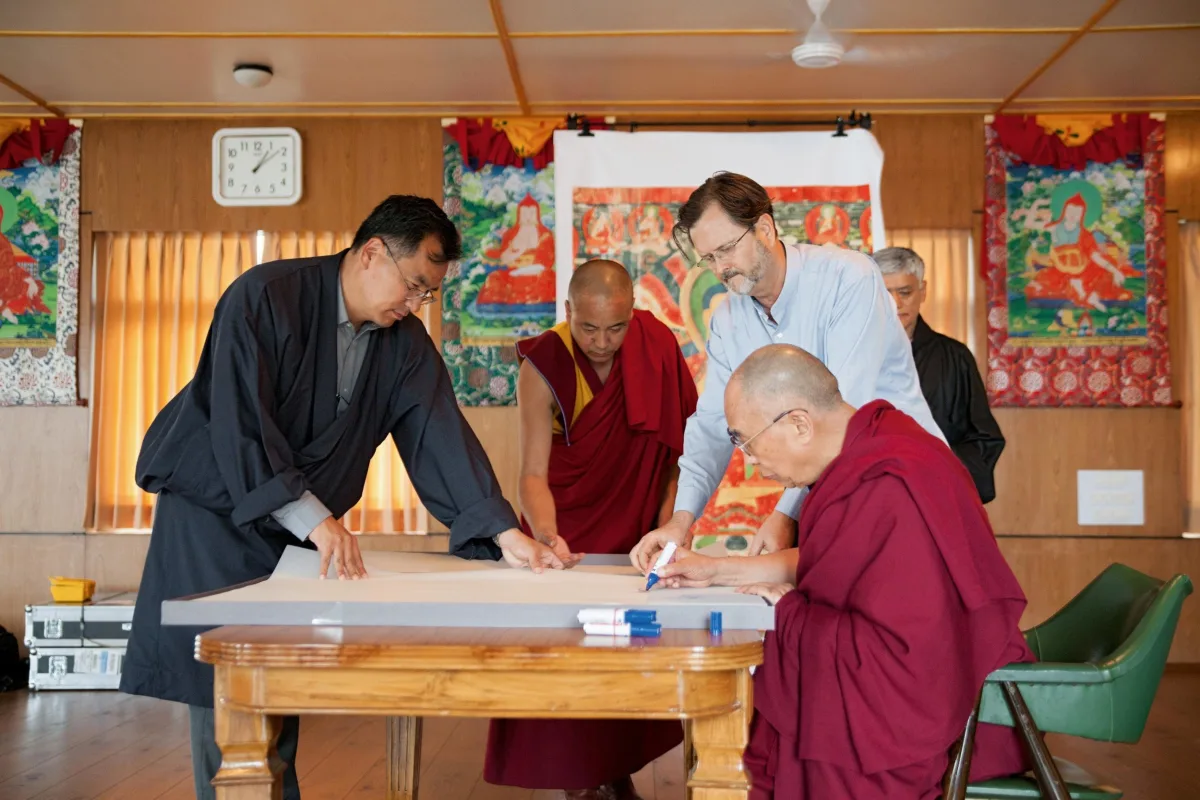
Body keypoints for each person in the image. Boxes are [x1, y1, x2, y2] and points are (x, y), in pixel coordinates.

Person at [121, 195, 566, 800]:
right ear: (372, 252)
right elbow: (239, 419)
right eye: (413, 286)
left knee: (279, 689)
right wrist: (314, 519)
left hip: (300, 523)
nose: (416, 304)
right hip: (216, 511)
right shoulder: (266, 296)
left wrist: (504, 531)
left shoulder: (403, 342)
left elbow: (439, 434)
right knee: (229, 692)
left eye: (427, 294)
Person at [652, 344, 1033, 799]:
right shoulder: (871, 447)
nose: (750, 460)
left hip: (919, 704)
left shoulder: (891, 482)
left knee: (746, 729)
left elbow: (900, 653)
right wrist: (715, 570)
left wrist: (792, 614)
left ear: (799, 424)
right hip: (914, 667)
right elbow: (828, 561)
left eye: (748, 442)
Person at [631, 172, 943, 567]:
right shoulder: (728, 318)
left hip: (902, 477)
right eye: (709, 258)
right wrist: (681, 519)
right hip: (825, 494)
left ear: (764, 229)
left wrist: (786, 513)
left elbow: (842, 413)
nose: (721, 268)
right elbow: (711, 424)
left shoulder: (848, 278)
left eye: (726, 249)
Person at [484, 259, 698, 799]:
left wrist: (669, 524)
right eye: (588, 328)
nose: (602, 342)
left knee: (625, 650)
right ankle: (577, 783)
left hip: (635, 531)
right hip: (566, 528)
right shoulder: (543, 364)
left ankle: (615, 771)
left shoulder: (656, 346)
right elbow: (532, 473)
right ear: (568, 311)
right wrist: (547, 535)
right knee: (565, 652)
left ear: (634, 313)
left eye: (616, 327)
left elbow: (680, 453)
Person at [874, 246, 1006, 503]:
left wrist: (932, 461)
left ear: (922, 291)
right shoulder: (855, 353)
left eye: (905, 292)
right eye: (886, 293)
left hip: (937, 492)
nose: (896, 303)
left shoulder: (955, 357)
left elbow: (984, 439)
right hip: (872, 494)